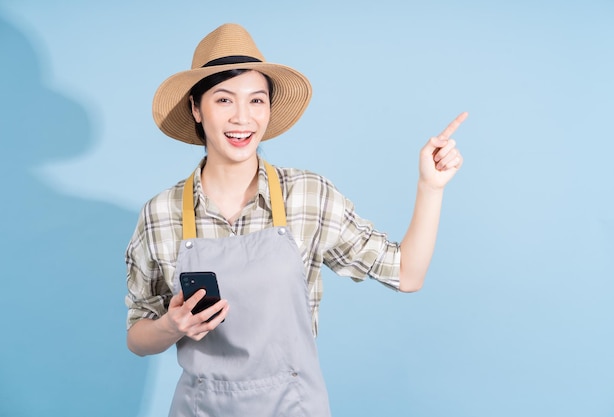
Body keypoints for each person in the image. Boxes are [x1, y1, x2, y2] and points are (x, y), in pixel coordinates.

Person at [125, 23, 466, 417]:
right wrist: (172, 326)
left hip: (292, 407)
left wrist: (431, 187)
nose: (243, 118)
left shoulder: (308, 195)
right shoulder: (161, 213)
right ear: (196, 109)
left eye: (256, 101)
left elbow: (407, 274)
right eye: (223, 100)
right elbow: (137, 335)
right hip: (200, 407)